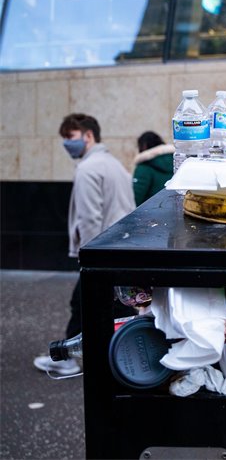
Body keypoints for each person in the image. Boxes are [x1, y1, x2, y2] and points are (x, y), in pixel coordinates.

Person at [33, 113, 135, 376]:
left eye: (70, 137)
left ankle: (67, 358)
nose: (67, 144)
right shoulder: (115, 164)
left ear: (88, 135)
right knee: (111, 306)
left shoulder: (88, 169)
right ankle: (124, 354)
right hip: (122, 249)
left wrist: (87, 258)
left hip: (102, 252)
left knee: (85, 303)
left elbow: (90, 218)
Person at [132, 131, 175, 206]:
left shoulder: (144, 167)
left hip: (149, 214)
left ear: (143, 146)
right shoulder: (176, 162)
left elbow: (135, 197)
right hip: (174, 210)